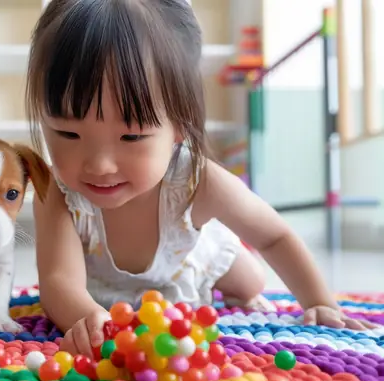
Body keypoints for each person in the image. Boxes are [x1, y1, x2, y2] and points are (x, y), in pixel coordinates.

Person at [26, 0, 374, 357]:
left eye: (131, 137)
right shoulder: (55, 189)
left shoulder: (197, 180)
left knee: (250, 281)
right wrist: (90, 317)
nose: (99, 165)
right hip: (100, 283)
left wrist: (318, 300)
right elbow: (59, 280)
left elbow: (274, 235)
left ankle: (222, 252)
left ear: (180, 124)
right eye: (67, 134)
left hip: (188, 260)